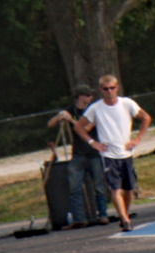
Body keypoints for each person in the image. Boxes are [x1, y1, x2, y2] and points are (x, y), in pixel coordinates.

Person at [75, 75, 151, 232]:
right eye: (105, 89)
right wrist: (93, 143)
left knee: (129, 189)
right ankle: (124, 218)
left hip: (126, 152)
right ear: (101, 90)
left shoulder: (127, 103)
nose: (109, 91)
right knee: (116, 188)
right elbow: (79, 127)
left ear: (117, 88)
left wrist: (138, 138)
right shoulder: (96, 108)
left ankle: (126, 213)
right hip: (109, 154)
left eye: (112, 88)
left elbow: (145, 117)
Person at [46, 84, 110, 227]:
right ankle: (79, 218)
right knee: (74, 187)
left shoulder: (93, 110)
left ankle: (103, 215)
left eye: (91, 95)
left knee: (98, 186)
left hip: (94, 152)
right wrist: (60, 117)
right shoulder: (71, 110)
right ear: (79, 96)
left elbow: (86, 128)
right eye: (87, 95)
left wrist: (71, 120)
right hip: (78, 153)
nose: (90, 97)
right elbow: (50, 124)